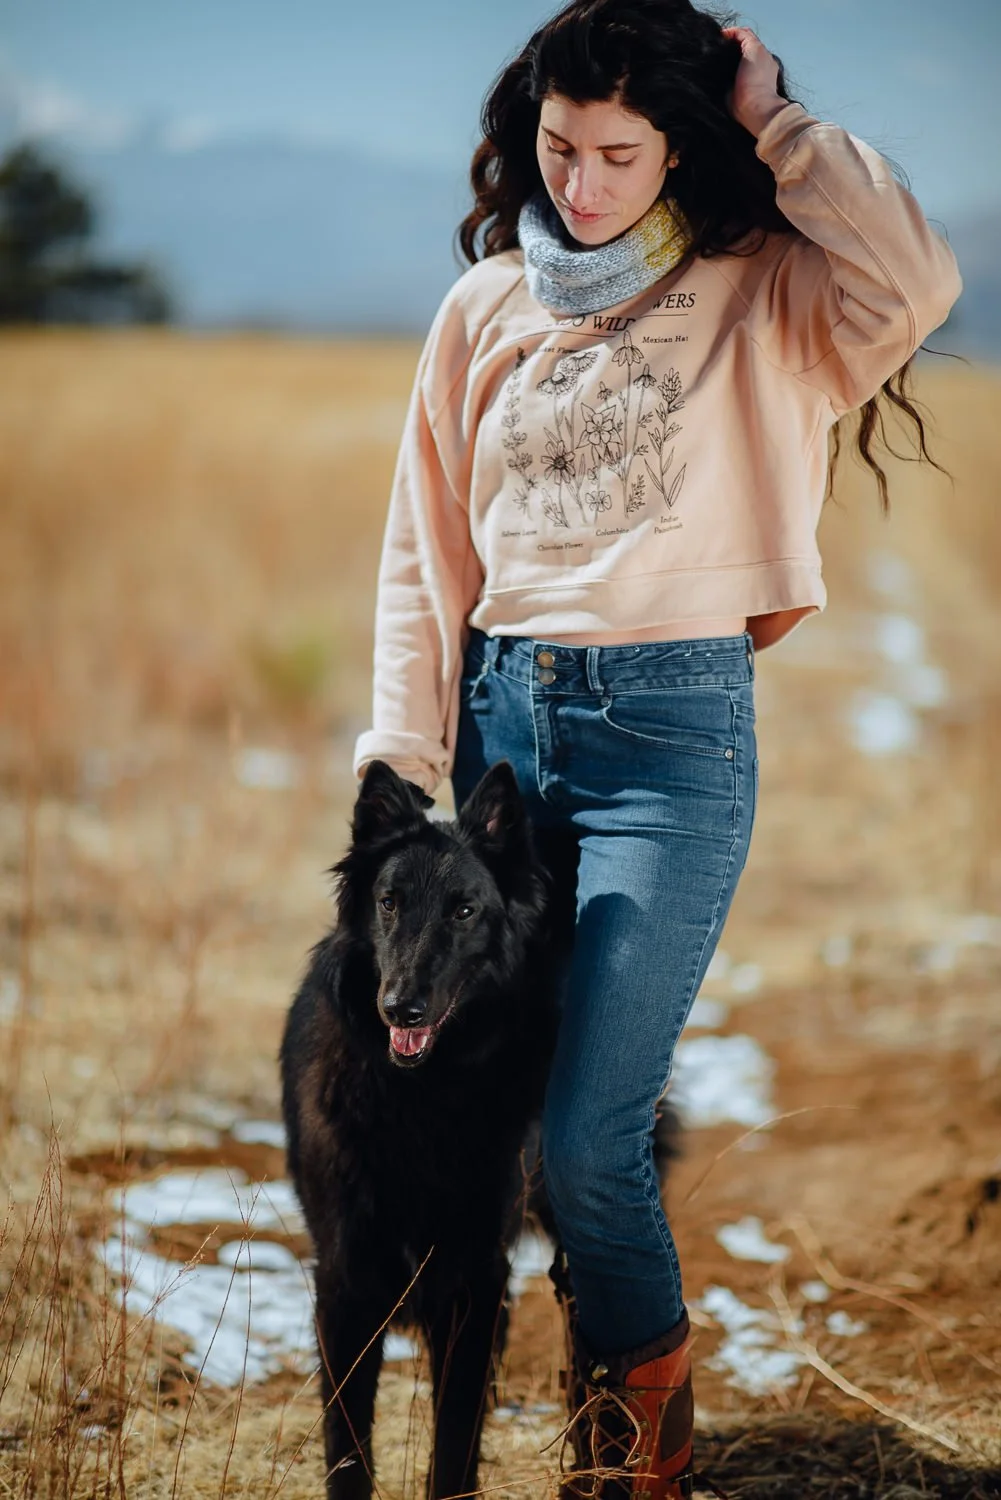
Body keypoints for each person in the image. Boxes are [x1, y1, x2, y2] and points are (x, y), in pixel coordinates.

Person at [352, 2, 962, 1494]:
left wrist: (777, 121)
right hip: (500, 738)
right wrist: (400, 749)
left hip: (666, 750)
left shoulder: (773, 294)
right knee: (487, 1118)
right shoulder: (485, 307)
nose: (584, 182)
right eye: (561, 147)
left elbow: (920, 272)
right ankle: (553, 1413)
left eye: (622, 154)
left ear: (680, 145)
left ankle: (635, 1461)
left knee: (587, 1138)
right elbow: (424, 549)